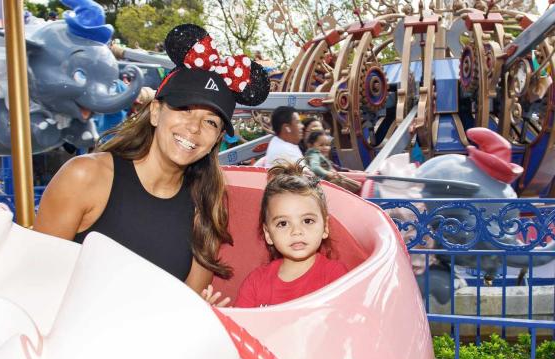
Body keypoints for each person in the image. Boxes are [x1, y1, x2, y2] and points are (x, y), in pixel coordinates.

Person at [34, 23, 270, 297]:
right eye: (184, 109)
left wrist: (203, 315)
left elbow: (188, 305)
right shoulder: (86, 176)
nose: (194, 128)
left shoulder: (206, 206)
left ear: (216, 140)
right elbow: (36, 282)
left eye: (210, 121)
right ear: (156, 112)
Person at [234, 161, 349, 308]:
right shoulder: (256, 282)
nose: (296, 231)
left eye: (307, 221)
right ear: (268, 234)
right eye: (283, 223)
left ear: (325, 227)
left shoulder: (335, 276)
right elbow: (239, 326)